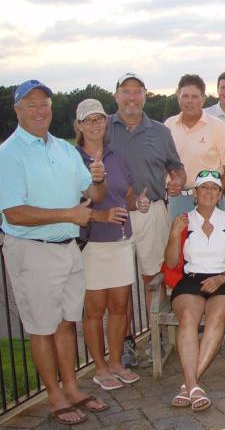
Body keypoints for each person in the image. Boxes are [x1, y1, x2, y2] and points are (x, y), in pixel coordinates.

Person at [0, 80, 107, 425]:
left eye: (44, 103)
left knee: (66, 323)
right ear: (17, 110)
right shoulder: (8, 154)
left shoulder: (62, 149)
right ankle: (54, 396)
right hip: (33, 252)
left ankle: (72, 387)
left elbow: (93, 193)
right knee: (41, 328)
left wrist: (99, 178)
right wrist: (69, 215)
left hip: (67, 249)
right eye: (30, 105)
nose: (39, 110)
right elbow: (13, 213)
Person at [106, 72, 186, 366]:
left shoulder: (160, 131)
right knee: (119, 284)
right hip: (113, 217)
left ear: (145, 95)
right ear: (116, 96)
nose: (131, 97)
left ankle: (156, 337)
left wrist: (177, 181)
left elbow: (176, 168)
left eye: (137, 91)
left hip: (152, 212)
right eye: (126, 91)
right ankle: (126, 342)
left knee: (154, 279)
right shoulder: (103, 128)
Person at [74, 99, 148, 391]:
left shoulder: (115, 156)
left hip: (120, 241)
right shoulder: (73, 158)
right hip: (93, 243)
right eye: (88, 120)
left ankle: (116, 362)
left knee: (119, 306)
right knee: (95, 309)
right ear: (79, 126)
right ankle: (100, 367)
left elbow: (126, 196)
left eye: (99, 119)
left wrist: (137, 203)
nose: (94, 125)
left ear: (106, 122)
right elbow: (74, 202)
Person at [165, 170, 225, 411]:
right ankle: (194, 385)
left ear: (220, 194)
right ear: (195, 193)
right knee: (188, 317)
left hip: (223, 278)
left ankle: (189, 385)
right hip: (192, 279)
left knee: (216, 316)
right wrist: (173, 236)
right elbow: (169, 263)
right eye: (204, 187)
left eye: (214, 188)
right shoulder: (184, 220)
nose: (209, 192)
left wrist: (221, 278)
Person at [165, 74, 225, 219]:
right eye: (185, 96)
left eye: (194, 96)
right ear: (178, 96)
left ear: (203, 99)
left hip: (209, 200)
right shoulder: (168, 125)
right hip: (176, 200)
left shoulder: (218, 127)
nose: (189, 101)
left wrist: (216, 198)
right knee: (178, 241)